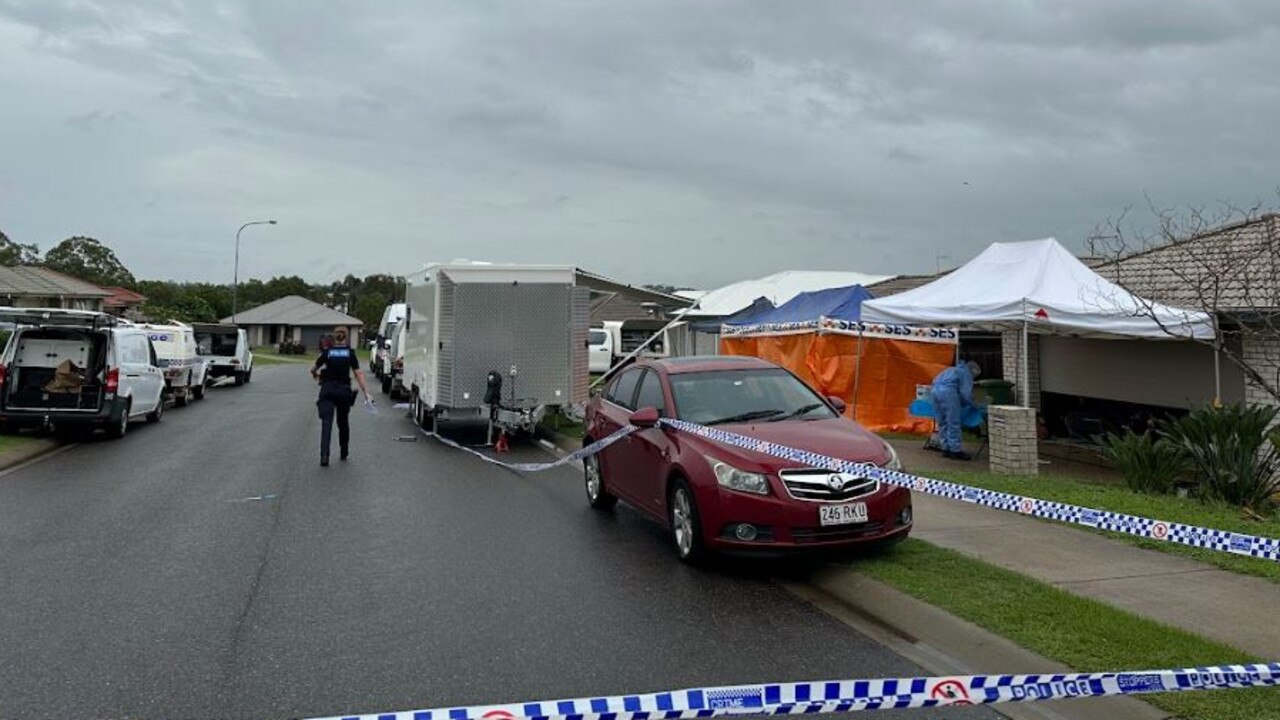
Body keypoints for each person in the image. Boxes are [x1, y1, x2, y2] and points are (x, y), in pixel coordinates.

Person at [311, 326, 371, 466]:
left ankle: (324, 456)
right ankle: (344, 451)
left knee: (327, 423)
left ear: (334, 337)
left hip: (327, 390)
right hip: (343, 392)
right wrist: (366, 392)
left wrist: (317, 375)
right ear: (346, 337)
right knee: (343, 422)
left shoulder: (327, 353)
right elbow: (358, 374)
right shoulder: (350, 353)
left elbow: (313, 369)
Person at [930, 359, 981, 461]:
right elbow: (966, 393)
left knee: (942, 422)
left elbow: (934, 380)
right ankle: (955, 450)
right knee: (953, 422)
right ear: (973, 373)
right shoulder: (965, 374)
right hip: (948, 393)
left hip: (934, 391)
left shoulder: (951, 369)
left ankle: (945, 448)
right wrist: (972, 404)